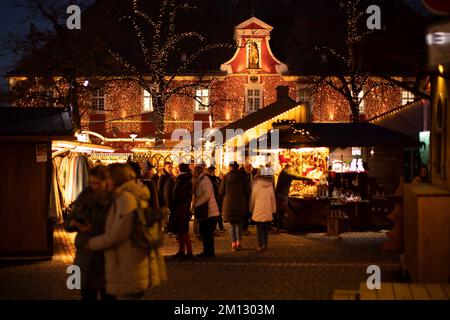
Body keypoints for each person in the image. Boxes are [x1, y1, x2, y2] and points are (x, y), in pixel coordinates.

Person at [85, 163, 152, 299]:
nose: (106, 180)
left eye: (108, 177)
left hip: (128, 263)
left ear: (117, 178)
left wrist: (91, 243)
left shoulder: (125, 199)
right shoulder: (125, 196)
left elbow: (117, 235)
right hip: (128, 260)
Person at [64, 166, 115, 300]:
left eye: (97, 183)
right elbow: (68, 222)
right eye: (91, 183)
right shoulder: (84, 196)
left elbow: (116, 230)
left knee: (108, 296)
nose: (94, 186)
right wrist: (73, 224)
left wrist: (91, 229)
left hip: (105, 258)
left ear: (106, 182)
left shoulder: (113, 201)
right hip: (84, 258)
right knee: (86, 295)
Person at [220, 161, 251, 251]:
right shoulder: (243, 177)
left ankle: (233, 244)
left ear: (230, 167)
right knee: (239, 224)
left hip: (229, 204)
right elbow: (248, 190)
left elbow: (221, 191)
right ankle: (239, 243)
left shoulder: (225, 178)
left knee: (232, 225)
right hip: (240, 203)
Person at [274, 163, 311, 232]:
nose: (292, 170)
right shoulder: (287, 175)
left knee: (280, 211)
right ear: (288, 168)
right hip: (283, 194)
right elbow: (298, 177)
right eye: (291, 169)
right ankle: (284, 227)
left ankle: (278, 227)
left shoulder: (282, 173)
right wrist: (311, 179)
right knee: (284, 211)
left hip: (279, 194)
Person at [193, 165, 220, 258]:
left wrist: (197, 203)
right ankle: (207, 251)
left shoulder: (204, 180)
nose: (193, 174)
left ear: (197, 172)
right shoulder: (201, 180)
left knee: (207, 232)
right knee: (205, 232)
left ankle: (209, 252)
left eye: (194, 172)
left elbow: (207, 195)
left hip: (209, 210)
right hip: (207, 210)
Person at [167, 163, 193, 259]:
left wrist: (173, 204)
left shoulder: (182, 180)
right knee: (181, 230)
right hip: (182, 207)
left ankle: (188, 252)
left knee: (182, 230)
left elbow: (179, 195)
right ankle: (182, 251)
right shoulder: (185, 180)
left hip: (180, 207)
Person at [250, 170, 277, 251]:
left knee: (259, 229)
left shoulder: (255, 185)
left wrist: (251, 208)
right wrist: (273, 209)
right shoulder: (270, 185)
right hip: (267, 209)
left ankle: (259, 245)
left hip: (258, 209)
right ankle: (265, 244)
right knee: (265, 228)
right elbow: (272, 198)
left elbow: (253, 198)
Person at [207, 165, 225, 232]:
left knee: (218, 213)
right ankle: (214, 228)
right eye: (213, 171)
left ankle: (220, 227)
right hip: (214, 198)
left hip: (217, 197)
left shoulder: (215, 178)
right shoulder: (210, 179)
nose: (214, 172)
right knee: (215, 214)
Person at [239, 162, 255, 234]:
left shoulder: (247, 174)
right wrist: (249, 191)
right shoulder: (243, 175)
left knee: (245, 212)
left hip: (244, 197)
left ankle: (244, 228)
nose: (250, 169)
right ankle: (243, 229)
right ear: (246, 167)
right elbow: (246, 187)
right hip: (244, 197)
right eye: (249, 168)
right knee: (244, 213)